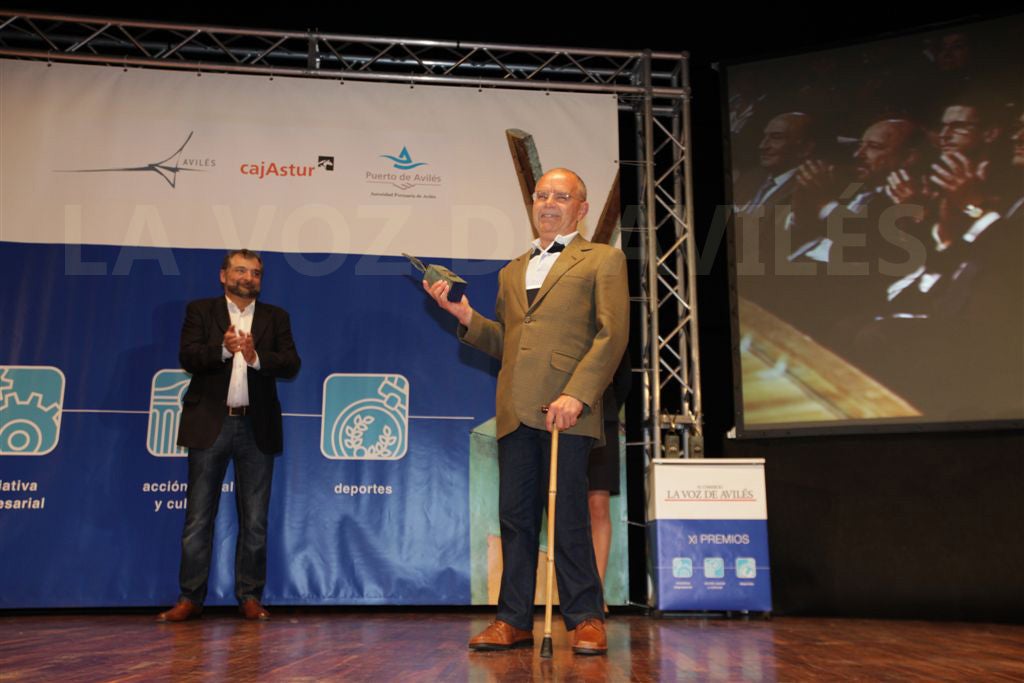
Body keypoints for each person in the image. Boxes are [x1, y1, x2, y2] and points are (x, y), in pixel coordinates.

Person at [424, 168, 628, 655]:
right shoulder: (511, 270)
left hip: (568, 411)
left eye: (562, 196)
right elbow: (510, 343)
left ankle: (585, 617)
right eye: (542, 195)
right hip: (516, 407)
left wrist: (577, 394)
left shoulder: (603, 259)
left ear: (581, 207)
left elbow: (612, 334)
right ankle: (512, 618)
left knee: (569, 516)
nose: (549, 203)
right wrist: (468, 319)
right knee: (514, 517)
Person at [158, 249, 301, 622]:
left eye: (255, 273)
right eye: (240, 270)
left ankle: (250, 597)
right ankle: (190, 598)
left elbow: (291, 363)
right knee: (198, 518)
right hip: (210, 424)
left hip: (257, 428)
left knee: (254, 520)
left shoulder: (275, 317)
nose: (248, 278)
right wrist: (224, 349)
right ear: (223, 275)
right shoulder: (201, 311)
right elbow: (188, 356)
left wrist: (255, 357)